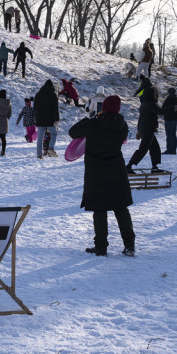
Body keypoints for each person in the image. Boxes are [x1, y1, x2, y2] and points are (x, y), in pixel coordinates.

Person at [68, 95, 135, 257]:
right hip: (117, 171)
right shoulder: (123, 125)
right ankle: (129, 246)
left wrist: (89, 118)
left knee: (99, 210)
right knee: (121, 209)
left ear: (103, 107)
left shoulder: (93, 124)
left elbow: (72, 132)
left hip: (96, 173)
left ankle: (101, 247)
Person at [126, 77, 164, 173]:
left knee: (155, 148)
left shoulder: (145, 103)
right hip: (148, 129)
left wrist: (139, 130)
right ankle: (129, 166)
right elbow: (161, 111)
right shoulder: (151, 104)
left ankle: (154, 166)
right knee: (143, 149)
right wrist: (174, 108)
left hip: (146, 128)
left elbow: (141, 118)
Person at [34, 79, 60, 158]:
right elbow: (55, 109)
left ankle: (39, 155)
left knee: (40, 138)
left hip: (40, 120)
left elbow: (35, 108)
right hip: (50, 120)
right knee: (54, 134)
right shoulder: (53, 95)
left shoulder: (38, 95)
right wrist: (57, 119)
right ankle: (51, 148)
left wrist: (36, 117)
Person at [161, 87, 177, 155]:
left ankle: (170, 150)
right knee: (173, 134)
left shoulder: (168, 99)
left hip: (168, 119)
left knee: (169, 135)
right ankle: (174, 149)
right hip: (174, 119)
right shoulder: (176, 99)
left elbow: (163, 108)